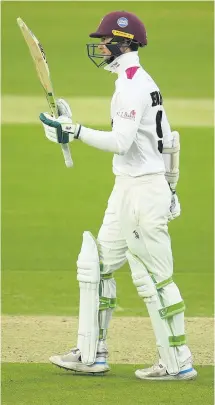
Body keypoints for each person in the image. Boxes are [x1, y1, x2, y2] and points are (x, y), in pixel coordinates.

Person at [40, 11, 197, 380]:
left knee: (154, 278)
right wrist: (171, 184)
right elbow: (168, 141)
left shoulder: (133, 85)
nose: (99, 45)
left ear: (123, 43)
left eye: (104, 40)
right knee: (98, 266)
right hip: (128, 186)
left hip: (143, 192)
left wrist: (75, 130)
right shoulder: (135, 80)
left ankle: (177, 363)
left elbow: (122, 142)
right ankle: (91, 353)